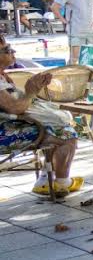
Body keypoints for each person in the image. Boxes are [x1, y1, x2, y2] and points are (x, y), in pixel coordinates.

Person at [0, 37, 82, 194]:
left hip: (12, 124)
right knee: (67, 135)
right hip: (4, 131)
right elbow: (15, 108)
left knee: (59, 127)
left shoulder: (2, 76)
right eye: (7, 50)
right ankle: (59, 182)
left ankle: (47, 179)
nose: (12, 52)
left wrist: (35, 89)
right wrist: (31, 92)